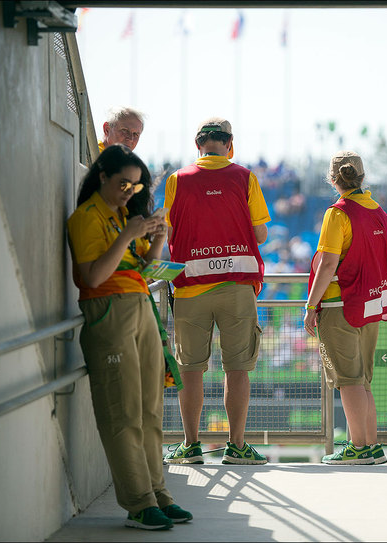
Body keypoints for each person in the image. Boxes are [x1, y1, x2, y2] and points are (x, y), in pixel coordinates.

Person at [66, 144, 192, 530]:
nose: (128, 192)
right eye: (123, 183)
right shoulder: (86, 218)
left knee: (150, 412)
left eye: (135, 188)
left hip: (140, 307)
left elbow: (146, 268)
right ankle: (139, 503)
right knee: (121, 413)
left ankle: (158, 494)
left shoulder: (124, 216)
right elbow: (92, 276)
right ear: (102, 176)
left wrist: (157, 235)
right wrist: (128, 235)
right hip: (108, 310)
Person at [162, 117, 270, 465]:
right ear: (229, 143)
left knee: (191, 370)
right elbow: (261, 235)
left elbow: (168, 232)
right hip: (237, 287)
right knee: (236, 370)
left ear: (198, 145)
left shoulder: (177, 180)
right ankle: (236, 447)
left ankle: (190, 446)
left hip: (191, 289)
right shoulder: (245, 177)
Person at [303, 151, 387, 465]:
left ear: (333, 179)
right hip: (372, 303)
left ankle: (358, 449)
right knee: (362, 380)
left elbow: (329, 262)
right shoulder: (379, 211)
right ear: (362, 176)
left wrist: (311, 305)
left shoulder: (338, 212)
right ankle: (371, 446)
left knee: (348, 381)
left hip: (339, 304)